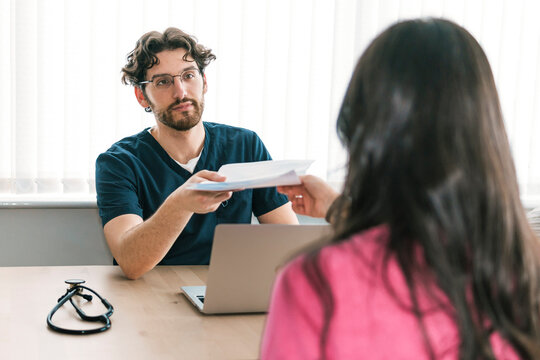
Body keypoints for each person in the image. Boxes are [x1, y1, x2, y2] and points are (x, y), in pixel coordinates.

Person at [261, 18, 540, 359]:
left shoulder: (314, 283)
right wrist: (337, 207)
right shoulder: (523, 268)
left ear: (360, 127)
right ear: (487, 130)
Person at [95, 27, 298, 280]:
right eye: (163, 82)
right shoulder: (118, 163)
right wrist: (181, 204)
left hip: (226, 290)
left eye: (188, 75)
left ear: (204, 82)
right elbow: (130, 261)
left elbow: (289, 243)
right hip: (149, 297)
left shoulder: (245, 145)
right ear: (141, 96)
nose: (180, 92)